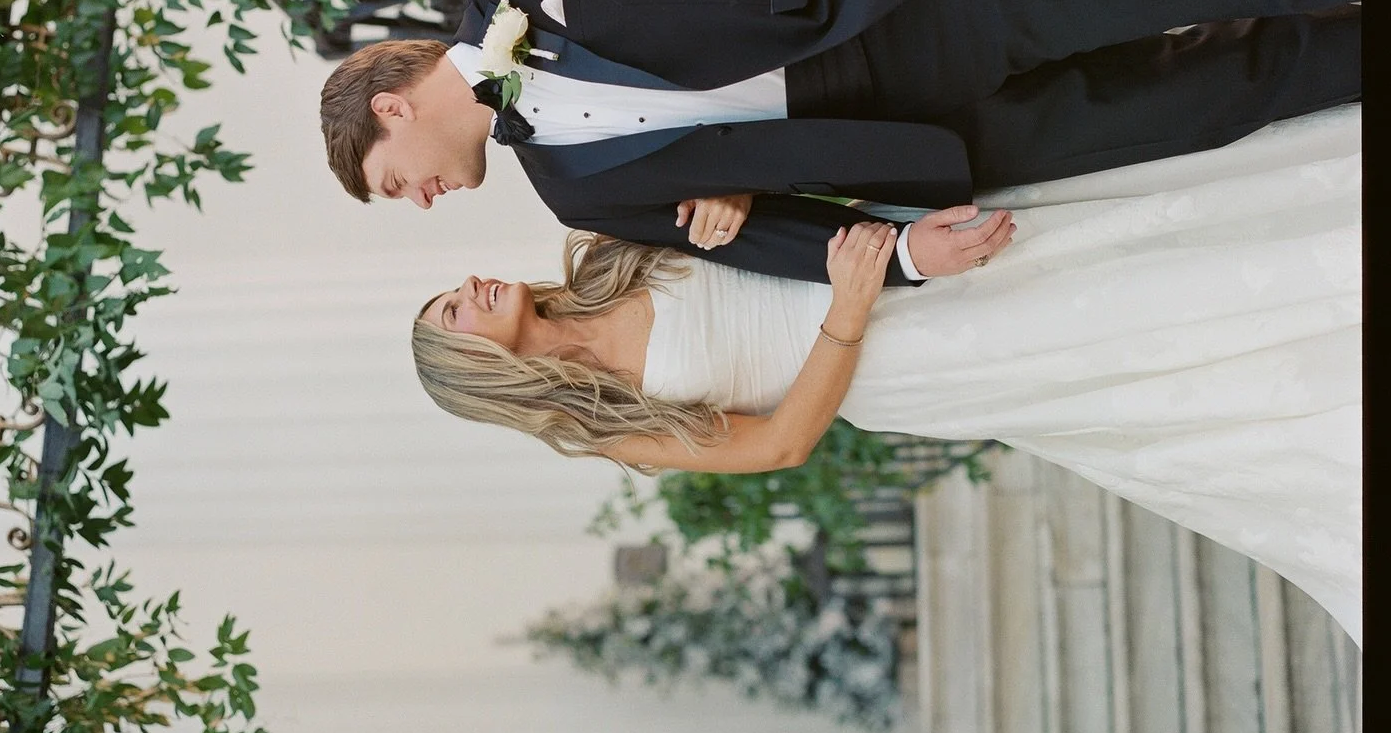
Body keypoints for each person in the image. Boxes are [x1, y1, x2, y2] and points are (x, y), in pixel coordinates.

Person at [409, 103, 1362, 647]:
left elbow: (745, 189)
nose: (469, 286)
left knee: (1118, 237)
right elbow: (781, 443)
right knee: (1127, 333)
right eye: (454, 311)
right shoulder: (614, 424)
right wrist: (849, 309)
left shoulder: (602, 248)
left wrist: (741, 195)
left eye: (450, 291)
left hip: (894, 242)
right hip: (893, 352)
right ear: (478, 370)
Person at [320, 0, 1359, 289]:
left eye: (392, 179)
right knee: (1229, 90)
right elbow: (770, 242)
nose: (418, 201)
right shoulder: (571, 194)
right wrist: (902, 254)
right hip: (932, 145)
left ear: (391, 106)